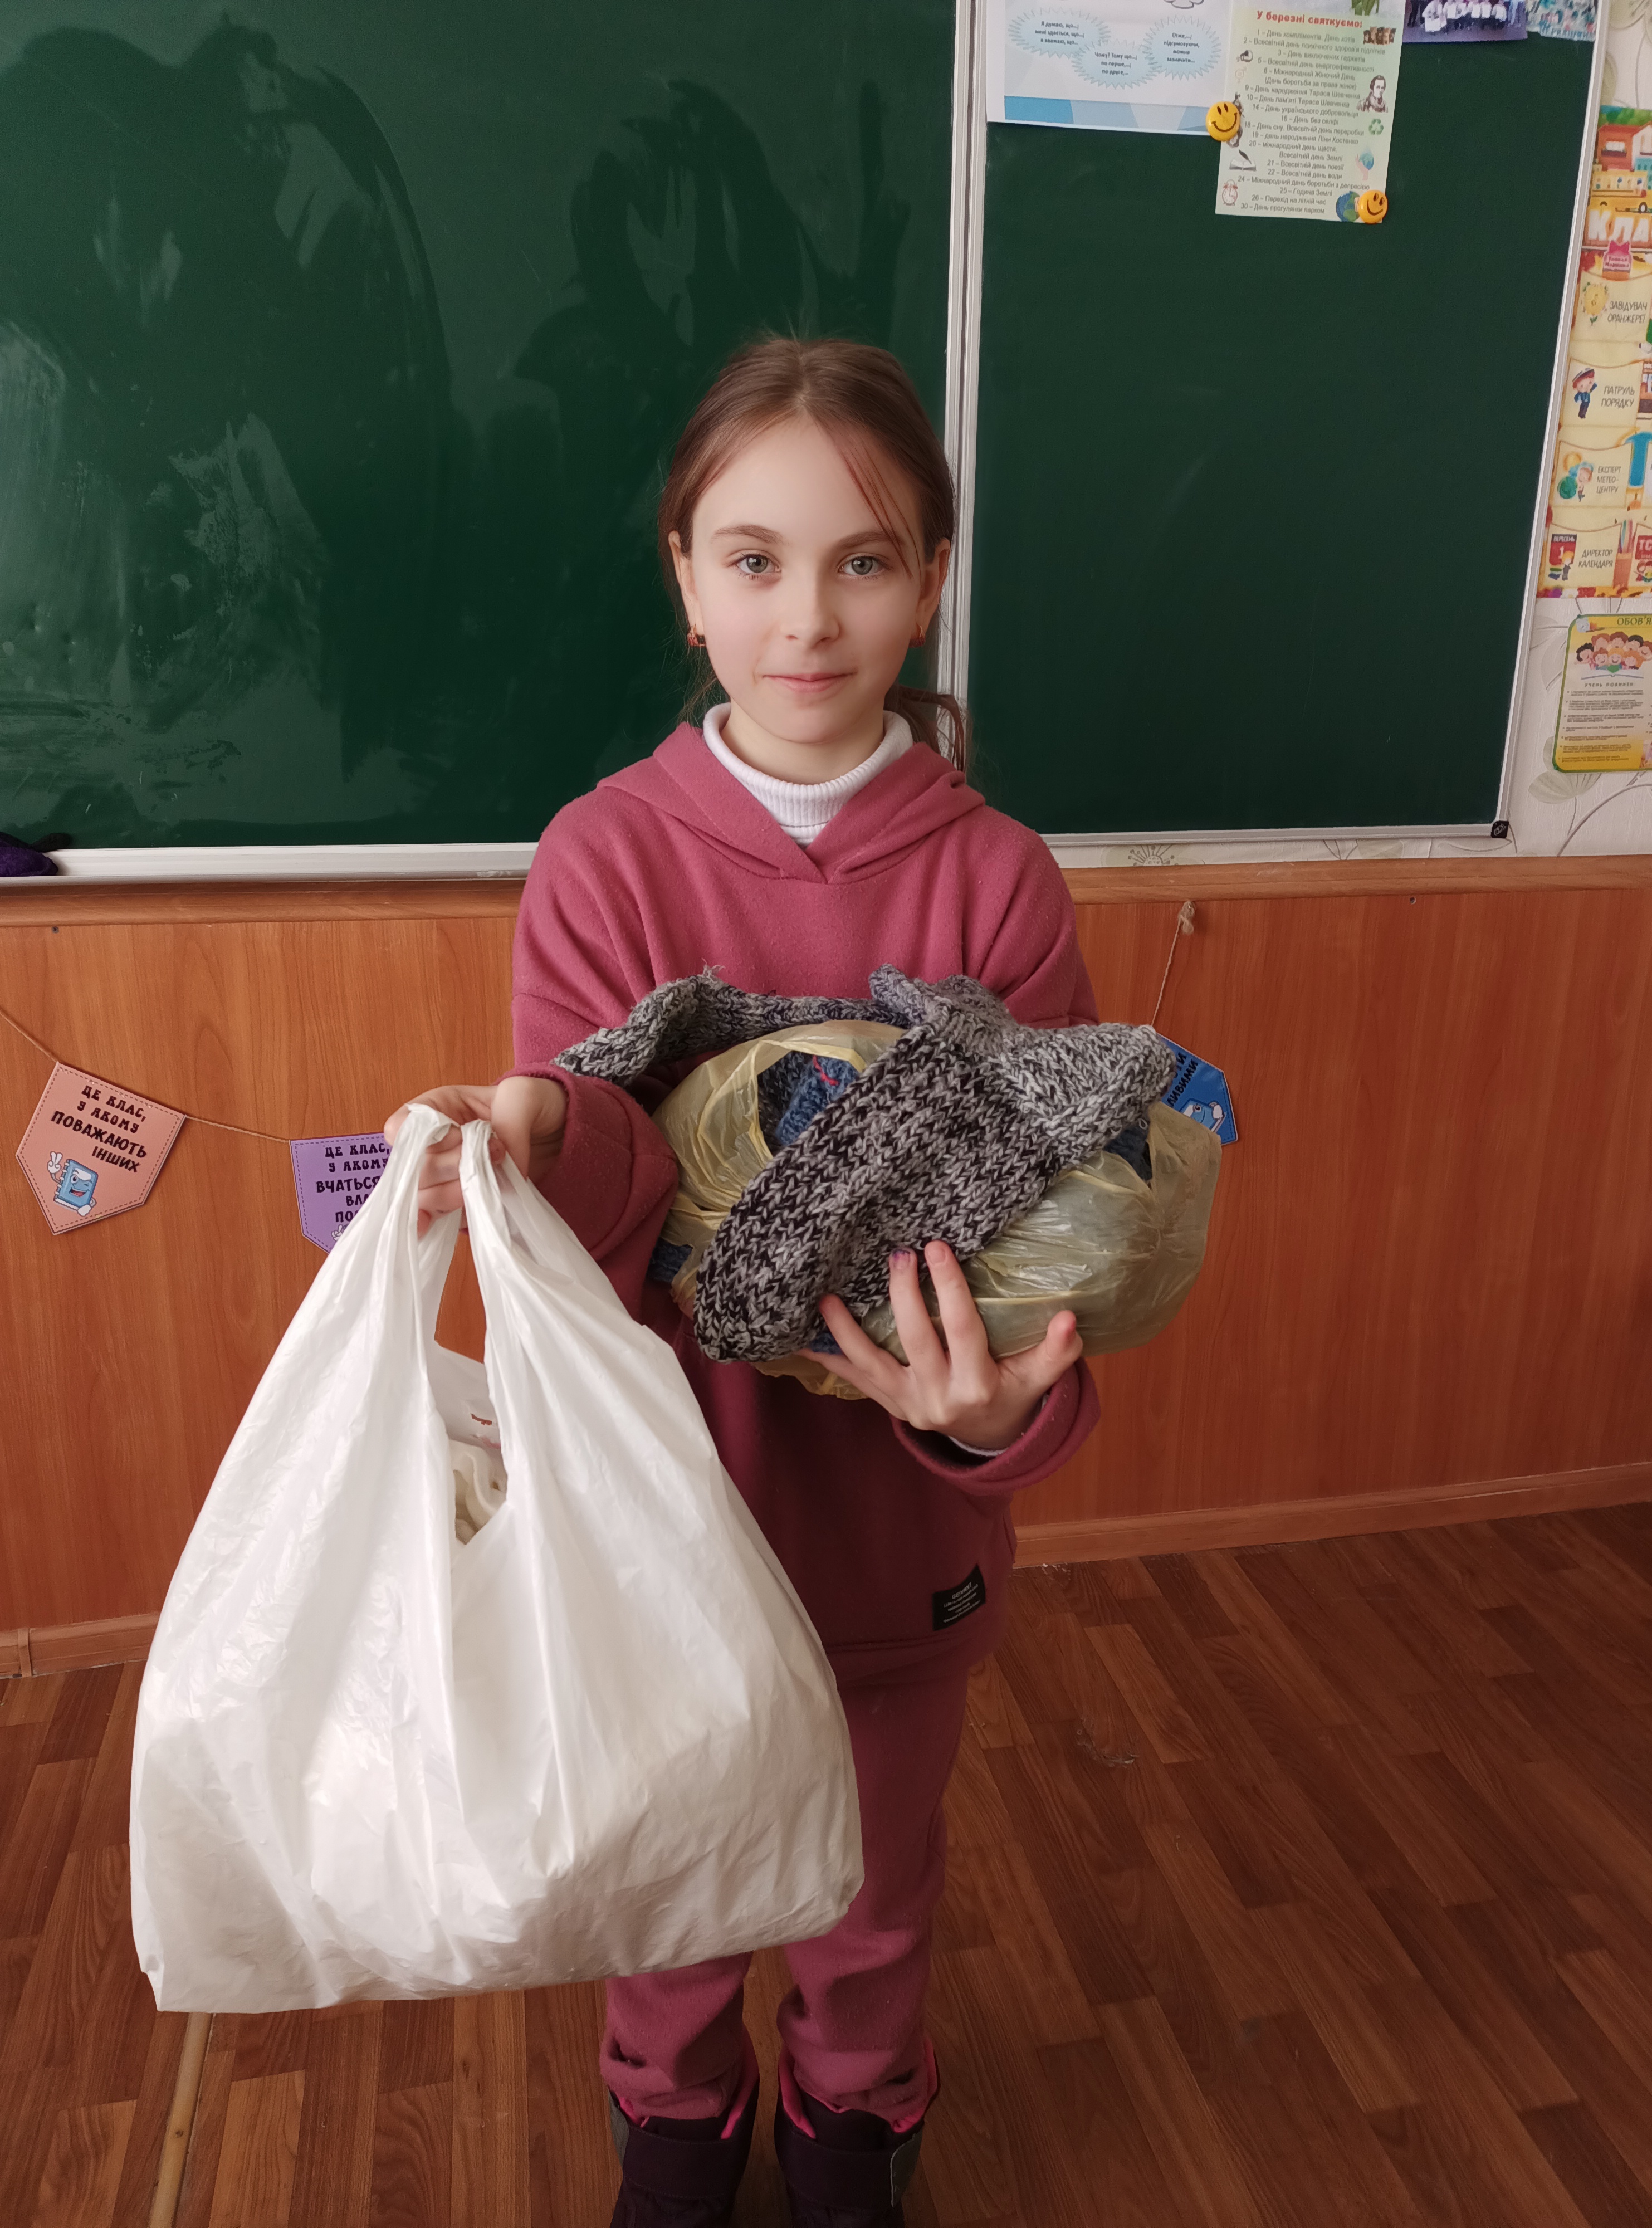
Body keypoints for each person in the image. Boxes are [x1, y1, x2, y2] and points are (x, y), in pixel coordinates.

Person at [385, 336, 1102, 2228]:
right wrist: (541, 1126)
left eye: (863, 562)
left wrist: (993, 1413)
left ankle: (856, 2126)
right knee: (674, 1868)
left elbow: (1060, 1236)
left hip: (892, 1536)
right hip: (665, 1518)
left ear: (929, 580)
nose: (808, 617)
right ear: (687, 581)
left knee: (872, 1884)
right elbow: (607, 1186)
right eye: (756, 560)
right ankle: (675, 2122)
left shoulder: (1000, 884)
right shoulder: (606, 861)